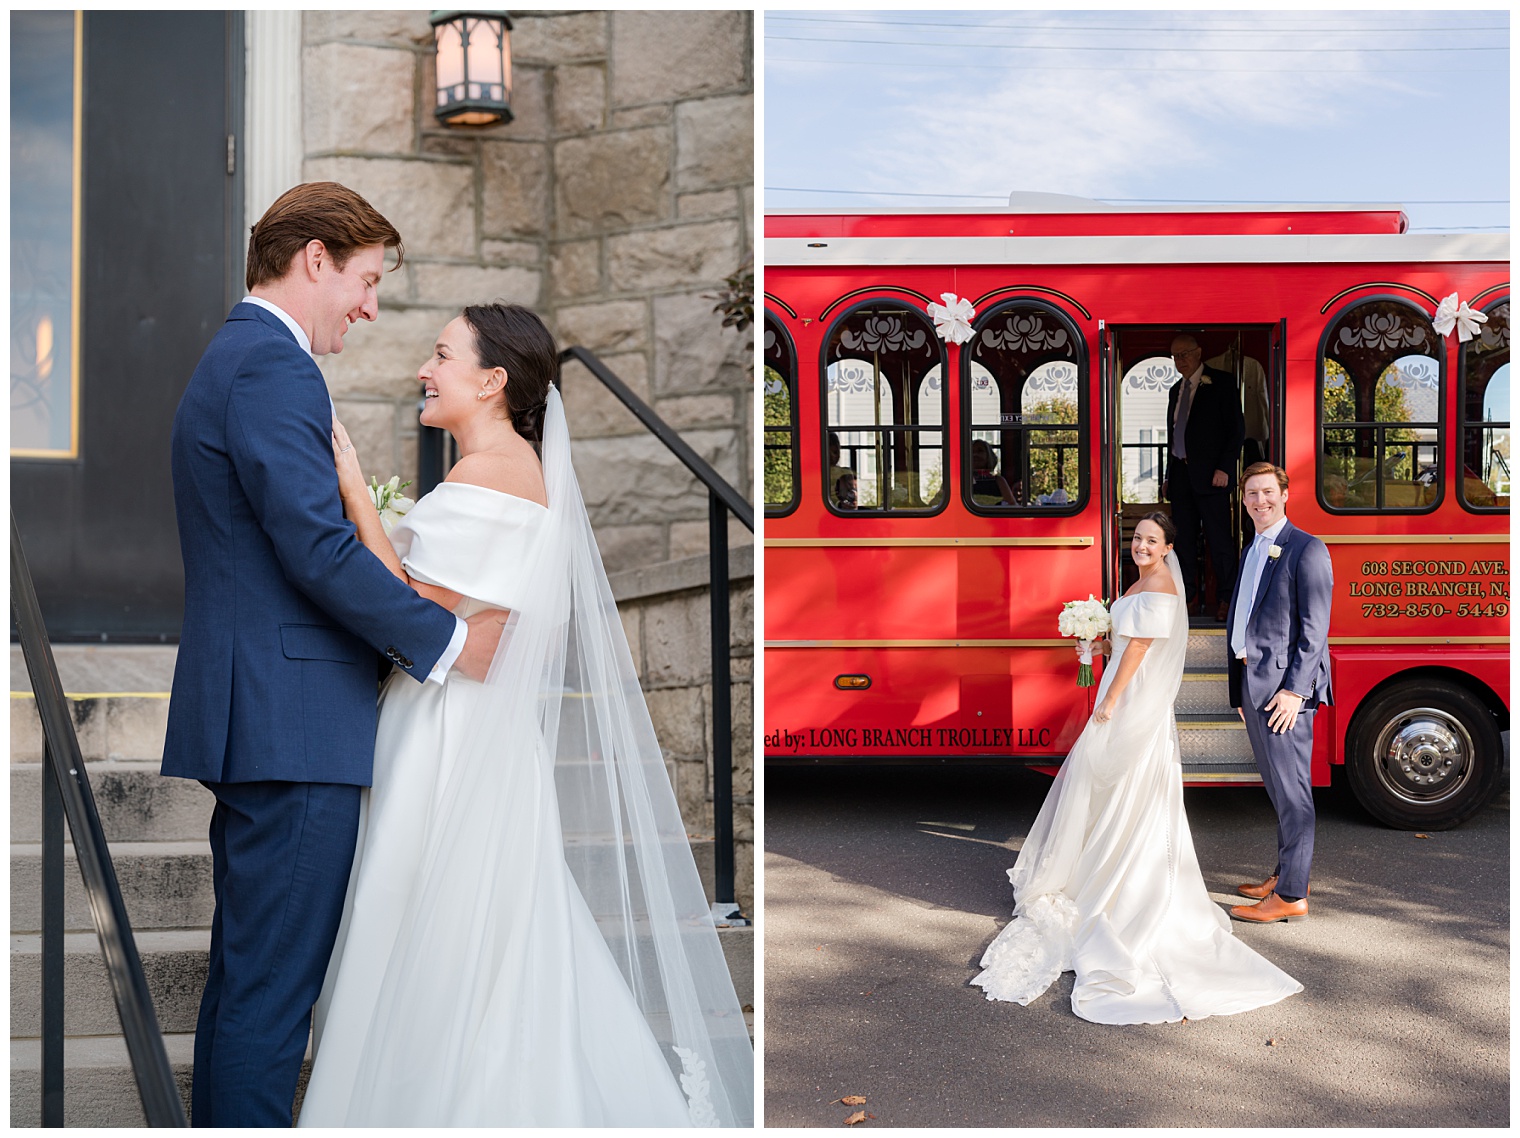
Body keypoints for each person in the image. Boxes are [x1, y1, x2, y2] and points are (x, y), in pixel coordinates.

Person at [297, 304, 753, 1126]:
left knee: (424, 926)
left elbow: (402, 608)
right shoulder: (504, 470)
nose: (423, 371)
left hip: (448, 737)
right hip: (459, 725)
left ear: (492, 380)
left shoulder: (491, 475)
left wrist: (358, 496)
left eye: (440, 355)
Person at [161, 182, 507, 1127]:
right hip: (293, 725)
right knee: (271, 1003)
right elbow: (314, 546)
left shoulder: (239, 358)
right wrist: (442, 641)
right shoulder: (272, 367)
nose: (370, 306)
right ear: (314, 258)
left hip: (267, 718)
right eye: (364, 280)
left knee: (249, 987)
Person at [971, 513, 1301, 1023]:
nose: (1142, 546)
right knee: (1104, 787)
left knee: (1121, 786)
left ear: (1168, 547)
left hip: (1133, 701)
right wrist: (1096, 646)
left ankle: (1120, 886)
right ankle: (1097, 871)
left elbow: (1144, 647)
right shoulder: (1144, 580)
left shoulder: (1163, 583)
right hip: (1121, 692)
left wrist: (1111, 700)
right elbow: (1126, 641)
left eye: (1152, 540)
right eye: (1137, 539)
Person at [1226, 462, 1333, 924]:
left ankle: (1290, 895)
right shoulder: (1253, 548)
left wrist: (1294, 691)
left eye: (1268, 492)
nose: (1259, 501)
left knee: (1293, 793)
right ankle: (1289, 872)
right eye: (1251, 493)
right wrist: (1238, 693)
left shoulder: (1306, 549)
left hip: (1283, 693)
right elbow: (1243, 620)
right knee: (1278, 789)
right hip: (1256, 687)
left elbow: (1315, 631)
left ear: (1285, 495)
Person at [1161, 334, 1243, 621]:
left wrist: (1224, 468)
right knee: (1181, 541)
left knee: (1219, 540)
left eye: (1183, 355)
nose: (1178, 361)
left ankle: (1226, 599)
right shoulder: (1175, 390)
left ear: (1198, 353)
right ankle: (1188, 599)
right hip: (1181, 475)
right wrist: (1169, 475)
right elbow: (1173, 436)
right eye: (1174, 356)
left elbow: (1235, 432)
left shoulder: (1221, 383)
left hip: (1212, 477)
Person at [970, 439, 1017, 505]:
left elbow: (1012, 505)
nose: (975, 455)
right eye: (972, 451)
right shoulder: (961, 480)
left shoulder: (999, 481)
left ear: (988, 456)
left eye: (980, 451)